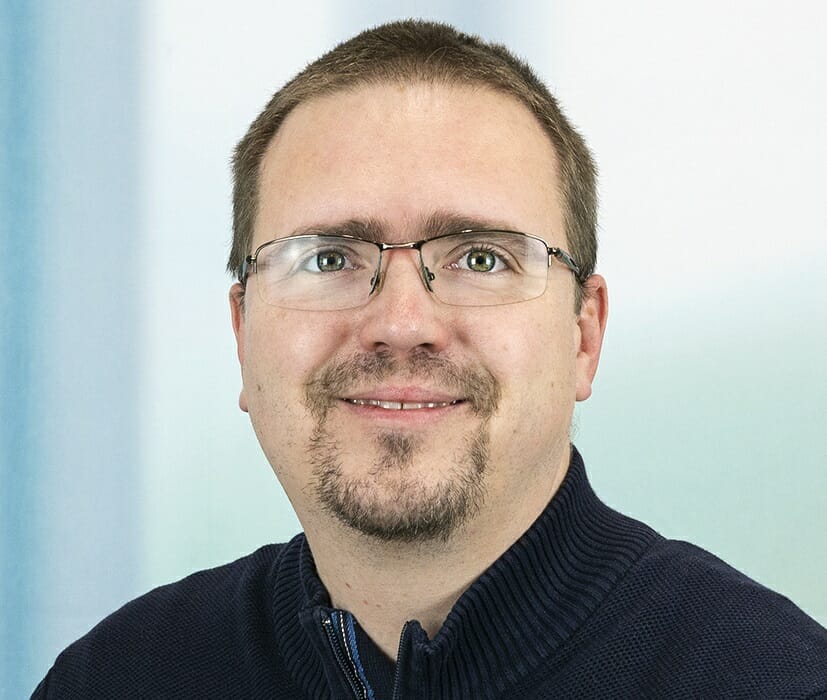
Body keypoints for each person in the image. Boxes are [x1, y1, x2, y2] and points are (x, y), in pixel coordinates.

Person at [34, 19, 826, 699]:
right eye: (327, 258)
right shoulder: (117, 678)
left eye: (480, 258)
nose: (402, 322)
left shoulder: (774, 681)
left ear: (583, 337)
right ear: (242, 337)